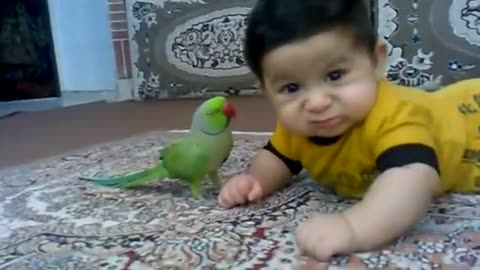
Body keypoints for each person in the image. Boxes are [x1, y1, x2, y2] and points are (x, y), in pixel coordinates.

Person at [217, 0, 480, 261]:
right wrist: (255, 181)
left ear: (375, 61)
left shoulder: (396, 113)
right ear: (266, 91)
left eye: (335, 76)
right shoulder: (296, 126)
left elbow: (413, 177)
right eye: (292, 88)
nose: (317, 103)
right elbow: (278, 157)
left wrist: (354, 227)